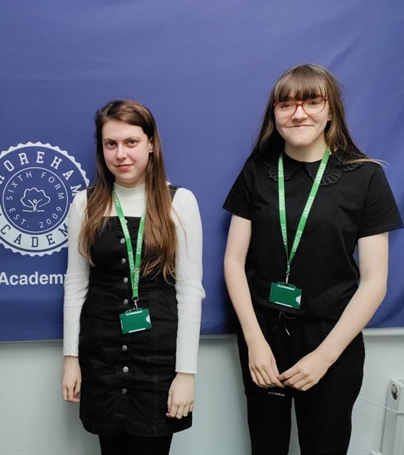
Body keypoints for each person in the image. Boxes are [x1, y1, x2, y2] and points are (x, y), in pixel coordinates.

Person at [223, 64, 403, 454]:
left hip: (332, 338)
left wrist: (325, 356)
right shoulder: (257, 171)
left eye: (311, 102)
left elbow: (375, 282)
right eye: (286, 104)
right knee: (266, 446)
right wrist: (255, 342)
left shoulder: (366, 177)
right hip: (263, 336)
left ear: (331, 109)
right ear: (274, 114)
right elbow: (234, 262)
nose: (298, 113)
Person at [62, 99, 205, 455]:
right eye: (110, 144)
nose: (121, 154)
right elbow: (76, 286)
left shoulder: (180, 202)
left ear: (151, 144)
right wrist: (71, 358)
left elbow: (189, 291)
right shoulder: (84, 204)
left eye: (131, 142)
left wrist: (186, 374)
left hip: (157, 361)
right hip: (101, 358)